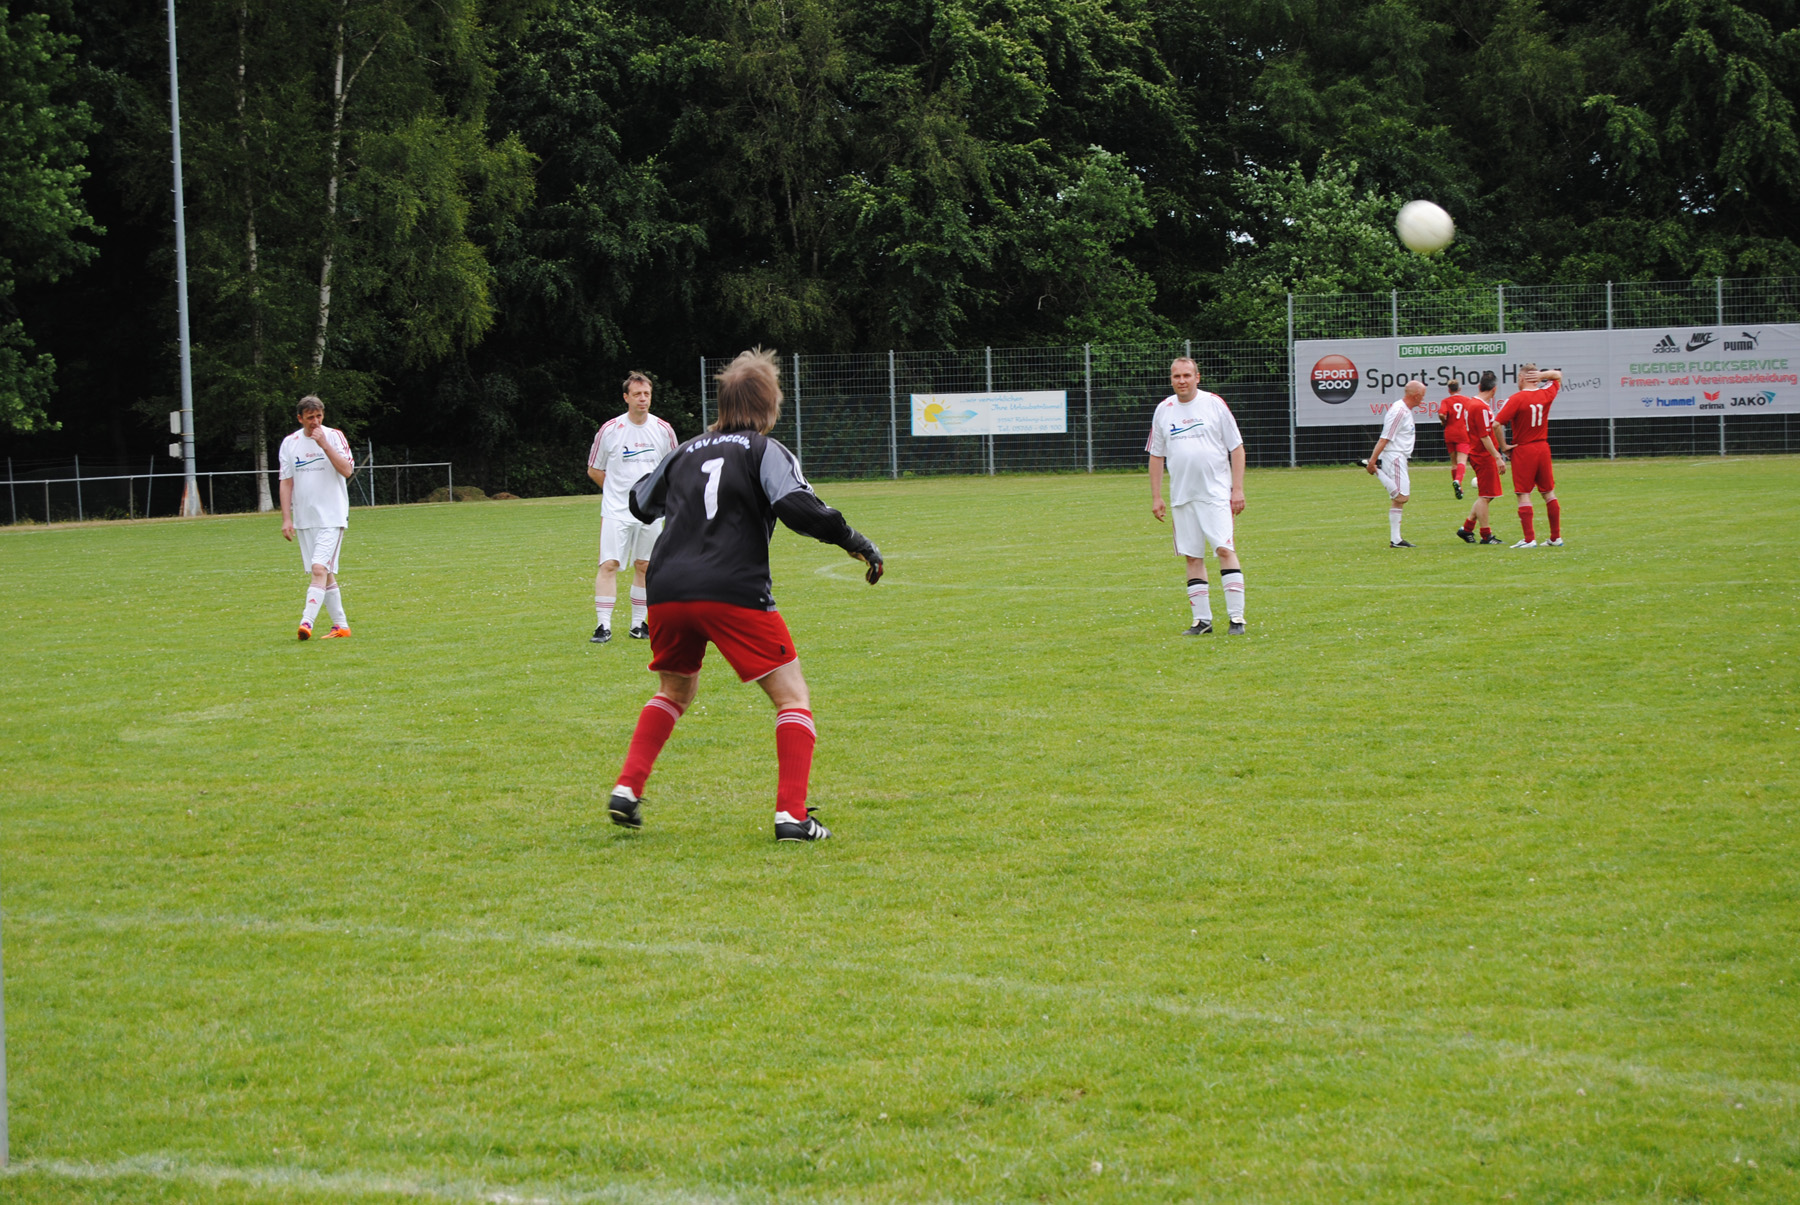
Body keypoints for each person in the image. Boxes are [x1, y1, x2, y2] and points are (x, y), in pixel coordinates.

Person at [606, 349, 883, 842]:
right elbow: (798, 506)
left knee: (674, 691)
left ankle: (627, 789)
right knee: (792, 696)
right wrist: (853, 540)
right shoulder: (763, 450)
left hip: (667, 589)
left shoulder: (684, 450)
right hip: (731, 587)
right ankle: (792, 817)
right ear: (769, 405)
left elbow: (641, 504)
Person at [1146, 357, 1247, 635]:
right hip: (1182, 496)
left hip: (1215, 494)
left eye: (1187, 375)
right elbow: (1156, 455)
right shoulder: (1164, 410)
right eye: (1177, 376)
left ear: (1197, 377)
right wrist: (1156, 496)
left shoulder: (1214, 404)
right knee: (1192, 556)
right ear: (1171, 379)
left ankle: (1236, 618)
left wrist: (1237, 489)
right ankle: (1202, 621)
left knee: (1224, 549)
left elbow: (1237, 448)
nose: (1182, 381)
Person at [587, 372, 679, 642]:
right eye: (637, 394)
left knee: (645, 565)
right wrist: (618, 496)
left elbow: (674, 469)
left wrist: (655, 499)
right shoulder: (610, 429)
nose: (643, 399)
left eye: (647, 394)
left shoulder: (663, 429)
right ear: (626, 397)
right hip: (616, 511)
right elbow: (594, 469)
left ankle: (639, 624)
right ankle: (603, 626)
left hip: (651, 513)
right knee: (609, 564)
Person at [278, 394, 356, 639]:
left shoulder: (334, 436)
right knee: (325, 572)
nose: (315, 422)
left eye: (319, 416)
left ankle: (307, 622)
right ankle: (341, 626)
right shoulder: (290, 443)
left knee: (319, 568)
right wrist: (287, 518)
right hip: (305, 518)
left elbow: (347, 470)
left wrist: (324, 445)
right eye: (310, 417)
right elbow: (286, 482)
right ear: (300, 418)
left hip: (332, 516)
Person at [1494, 363, 1565, 547]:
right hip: (1542, 447)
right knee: (1548, 492)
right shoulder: (1546, 393)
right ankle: (1555, 537)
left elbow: (1496, 424)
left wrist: (1504, 446)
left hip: (1524, 449)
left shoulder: (1516, 399)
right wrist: (1544, 375)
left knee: (1523, 493)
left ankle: (1529, 539)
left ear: (1521, 378)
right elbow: (1558, 376)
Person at [1365, 379, 1426, 547]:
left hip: (1399, 456)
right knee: (1401, 496)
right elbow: (1384, 438)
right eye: (1422, 395)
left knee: (1398, 500)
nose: (1423, 399)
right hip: (1394, 456)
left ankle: (1396, 539)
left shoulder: (1404, 410)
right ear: (1416, 395)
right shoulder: (1399, 411)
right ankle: (1377, 471)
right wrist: (1373, 461)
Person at [1455, 370, 1508, 545]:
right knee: (1485, 495)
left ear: (1479, 386)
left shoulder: (1472, 403)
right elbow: (1485, 436)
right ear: (1494, 390)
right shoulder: (1481, 407)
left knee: (1488, 495)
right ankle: (1486, 535)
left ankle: (1467, 528)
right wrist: (1497, 457)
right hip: (1483, 455)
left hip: (1478, 452)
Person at [1439, 379, 1475, 499]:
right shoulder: (1467, 400)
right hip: (1463, 433)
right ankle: (1458, 481)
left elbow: (1441, 414)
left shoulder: (1446, 401)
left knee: (1454, 463)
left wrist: (1444, 421)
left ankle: (1459, 488)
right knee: (1462, 461)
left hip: (1450, 433)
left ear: (1449, 390)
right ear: (1459, 389)